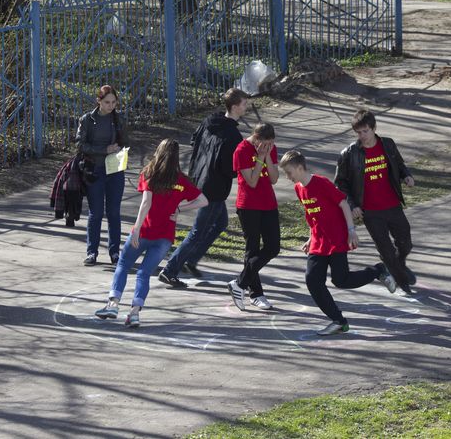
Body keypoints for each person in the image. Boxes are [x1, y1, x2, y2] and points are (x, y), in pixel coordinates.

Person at [280, 150, 396, 335]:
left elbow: (343, 204)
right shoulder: (299, 188)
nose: (288, 177)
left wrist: (351, 231)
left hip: (336, 238)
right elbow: (312, 215)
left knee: (341, 280)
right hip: (319, 241)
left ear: (300, 167)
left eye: (289, 172)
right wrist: (310, 237)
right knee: (312, 280)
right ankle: (339, 321)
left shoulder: (321, 183)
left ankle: (378, 270)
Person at [94, 139, 207, 327]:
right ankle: (135, 313)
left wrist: (136, 229)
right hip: (164, 236)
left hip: (146, 230)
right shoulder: (181, 180)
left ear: (158, 153)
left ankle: (113, 304)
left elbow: (146, 203)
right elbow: (203, 200)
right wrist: (180, 209)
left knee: (123, 264)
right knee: (144, 273)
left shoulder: (149, 173)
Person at [158, 88, 249, 288]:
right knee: (198, 231)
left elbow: (193, 141)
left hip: (200, 178)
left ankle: (191, 260)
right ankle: (170, 269)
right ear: (234, 107)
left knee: (220, 223)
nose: (246, 106)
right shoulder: (233, 136)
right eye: (244, 104)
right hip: (214, 187)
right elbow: (229, 168)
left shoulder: (209, 122)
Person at [334, 109, 416, 294]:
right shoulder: (349, 153)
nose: (362, 136)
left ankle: (399, 264)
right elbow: (340, 183)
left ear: (373, 128)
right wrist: (353, 205)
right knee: (386, 250)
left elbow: (400, 165)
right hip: (370, 212)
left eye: (366, 131)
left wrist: (407, 176)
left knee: (406, 243)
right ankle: (402, 280)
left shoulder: (388, 145)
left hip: (393, 205)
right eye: (359, 132)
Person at [227, 123, 280, 311]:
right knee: (252, 249)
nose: (270, 146)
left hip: (269, 203)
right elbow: (251, 181)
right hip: (249, 205)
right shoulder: (241, 150)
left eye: (272, 143)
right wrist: (260, 158)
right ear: (257, 139)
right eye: (266, 143)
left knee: (273, 247)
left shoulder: (270, 148)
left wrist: (268, 157)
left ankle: (239, 283)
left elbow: (274, 179)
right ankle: (256, 294)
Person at [77, 85, 129, 267]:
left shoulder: (118, 119)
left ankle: (115, 252)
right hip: (94, 171)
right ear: (98, 101)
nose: (111, 106)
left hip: (115, 170)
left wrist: (121, 150)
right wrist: (103, 150)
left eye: (114, 102)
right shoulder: (87, 120)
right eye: (107, 102)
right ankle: (92, 252)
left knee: (114, 212)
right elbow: (80, 145)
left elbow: (125, 141)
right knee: (96, 213)